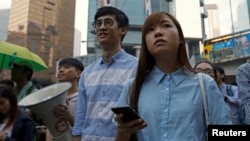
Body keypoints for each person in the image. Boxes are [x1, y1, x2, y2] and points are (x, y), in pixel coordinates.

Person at [114, 12, 232, 141]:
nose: (158, 33)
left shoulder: (205, 84)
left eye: (166, 26)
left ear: (180, 38)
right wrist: (122, 131)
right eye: (150, 30)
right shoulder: (132, 87)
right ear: (145, 43)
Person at [71, 6, 138, 141]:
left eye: (108, 22)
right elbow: (81, 114)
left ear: (123, 30)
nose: (102, 27)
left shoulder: (137, 67)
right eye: (98, 23)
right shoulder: (87, 73)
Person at [46, 58, 84, 141]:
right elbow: (50, 125)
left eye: (66, 67)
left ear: (78, 74)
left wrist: (69, 117)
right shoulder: (54, 97)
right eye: (59, 68)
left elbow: (86, 127)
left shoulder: (83, 97)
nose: (61, 70)